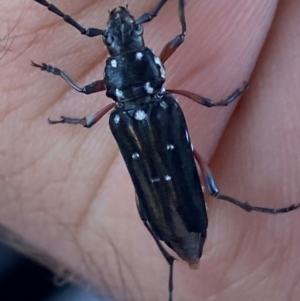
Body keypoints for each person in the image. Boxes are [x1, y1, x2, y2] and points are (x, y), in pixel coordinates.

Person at [1, 0, 299, 300]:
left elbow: (84, 103)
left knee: (148, 210)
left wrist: (57, 74)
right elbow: (185, 51)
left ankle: (174, 261)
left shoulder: (120, 118)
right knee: (194, 194)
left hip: (169, 201)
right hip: (176, 190)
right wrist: (218, 100)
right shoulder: (164, 105)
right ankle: (191, 248)